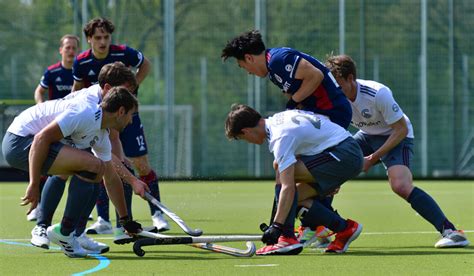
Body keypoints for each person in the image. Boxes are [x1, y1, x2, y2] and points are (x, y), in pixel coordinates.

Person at [325, 54, 470, 248]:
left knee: (400, 184)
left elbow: (400, 129)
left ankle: (451, 232)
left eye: (339, 84)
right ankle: (319, 229)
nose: (336, 90)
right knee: (328, 168)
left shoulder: (377, 93)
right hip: (367, 134)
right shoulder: (335, 97)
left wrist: (372, 158)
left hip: (395, 134)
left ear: (351, 78)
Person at [221, 29, 351, 247]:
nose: (248, 72)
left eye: (244, 67)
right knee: (285, 168)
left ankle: (301, 228)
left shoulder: (279, 60)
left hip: (333, 114)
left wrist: (292, 103)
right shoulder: (274, 69)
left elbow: (316, 75)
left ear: (250, 58)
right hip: (321, 117)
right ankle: (310, 225)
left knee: (287, 173)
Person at [2, 85, 145, 258]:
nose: (131, 121)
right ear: (121, 112)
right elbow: (41, 138)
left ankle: (69, 233)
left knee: (97, 169)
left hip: (34, 144)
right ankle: (54, 229)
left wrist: (125, 220)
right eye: (131, 115)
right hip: (18, 141)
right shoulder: (85, 113)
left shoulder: (100, 134)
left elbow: (111, 178)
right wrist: (33, 183)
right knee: (93, 165)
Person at [29, 62, 150, 251]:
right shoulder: (91, 106)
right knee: (74, 171)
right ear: (109, 89)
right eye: (126, 91)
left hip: (70, 136)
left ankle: (76, 234)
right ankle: (42, 227)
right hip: (46, 136)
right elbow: (44, 136)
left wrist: (126, 176)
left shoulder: (107, 105)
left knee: (96, 172)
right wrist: (132, 179)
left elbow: (110, 150)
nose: (130, 96)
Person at [72, 17, 169, 234]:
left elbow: (146, 64)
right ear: (89, 39)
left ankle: (157, 214)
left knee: (140, 165)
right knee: (103, 166)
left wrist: (130, 92)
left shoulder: (123, 52)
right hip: (101, 122)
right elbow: (76, 88)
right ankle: (104, 220)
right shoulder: (82, 62)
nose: (103, 41)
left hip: (126, 117)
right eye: (98, 37)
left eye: (106, 37)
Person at [225, 104, 364, 255]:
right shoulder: (279, 119)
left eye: (242, 138)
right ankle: (345, 228)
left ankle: (286, 238)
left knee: (282, 175)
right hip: (341, 152)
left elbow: (287, 187)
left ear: (246, 131)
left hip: (343, 154)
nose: (247, 141)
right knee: (293, 200)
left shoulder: (280, 136)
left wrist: (276, 226)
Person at [27, 34, 80, 222]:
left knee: (78, 166)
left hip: (75, 126)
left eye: (74, 48)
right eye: (68, 48)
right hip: (54, 126)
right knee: (46, 166)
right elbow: (39, 91)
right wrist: (41, 106)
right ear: (61, 50)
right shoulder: (52, 72)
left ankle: (78, 209)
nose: (71, 51)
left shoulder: (79, 71)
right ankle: (38, 206)